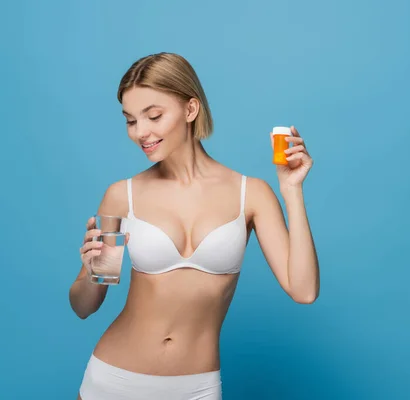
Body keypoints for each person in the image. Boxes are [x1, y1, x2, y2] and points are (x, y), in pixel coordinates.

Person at [69, 52, 320, 400]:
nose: (141, 132)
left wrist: (292, 192)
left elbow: (303, 291)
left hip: (195, 388)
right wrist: (88, 271)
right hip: (113, 381)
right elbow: (85, 306)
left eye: (153, 116)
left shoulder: (251, 195)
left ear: (190, 110)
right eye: (130, 120)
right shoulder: (122, 195)